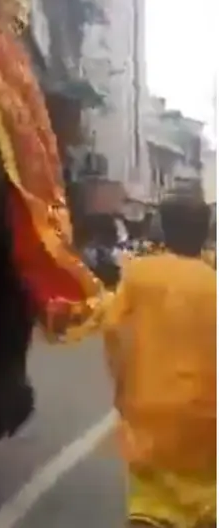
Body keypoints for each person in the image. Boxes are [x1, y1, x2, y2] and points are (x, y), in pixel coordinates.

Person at [101, 191, 216, 528]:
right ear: (206, 230)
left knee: (150, 503)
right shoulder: (214, 283)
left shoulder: (139, 275)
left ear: (163, 229)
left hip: (149, 411)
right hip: (206, 419)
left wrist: (122, 390)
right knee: (204, 502)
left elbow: (113, 330)